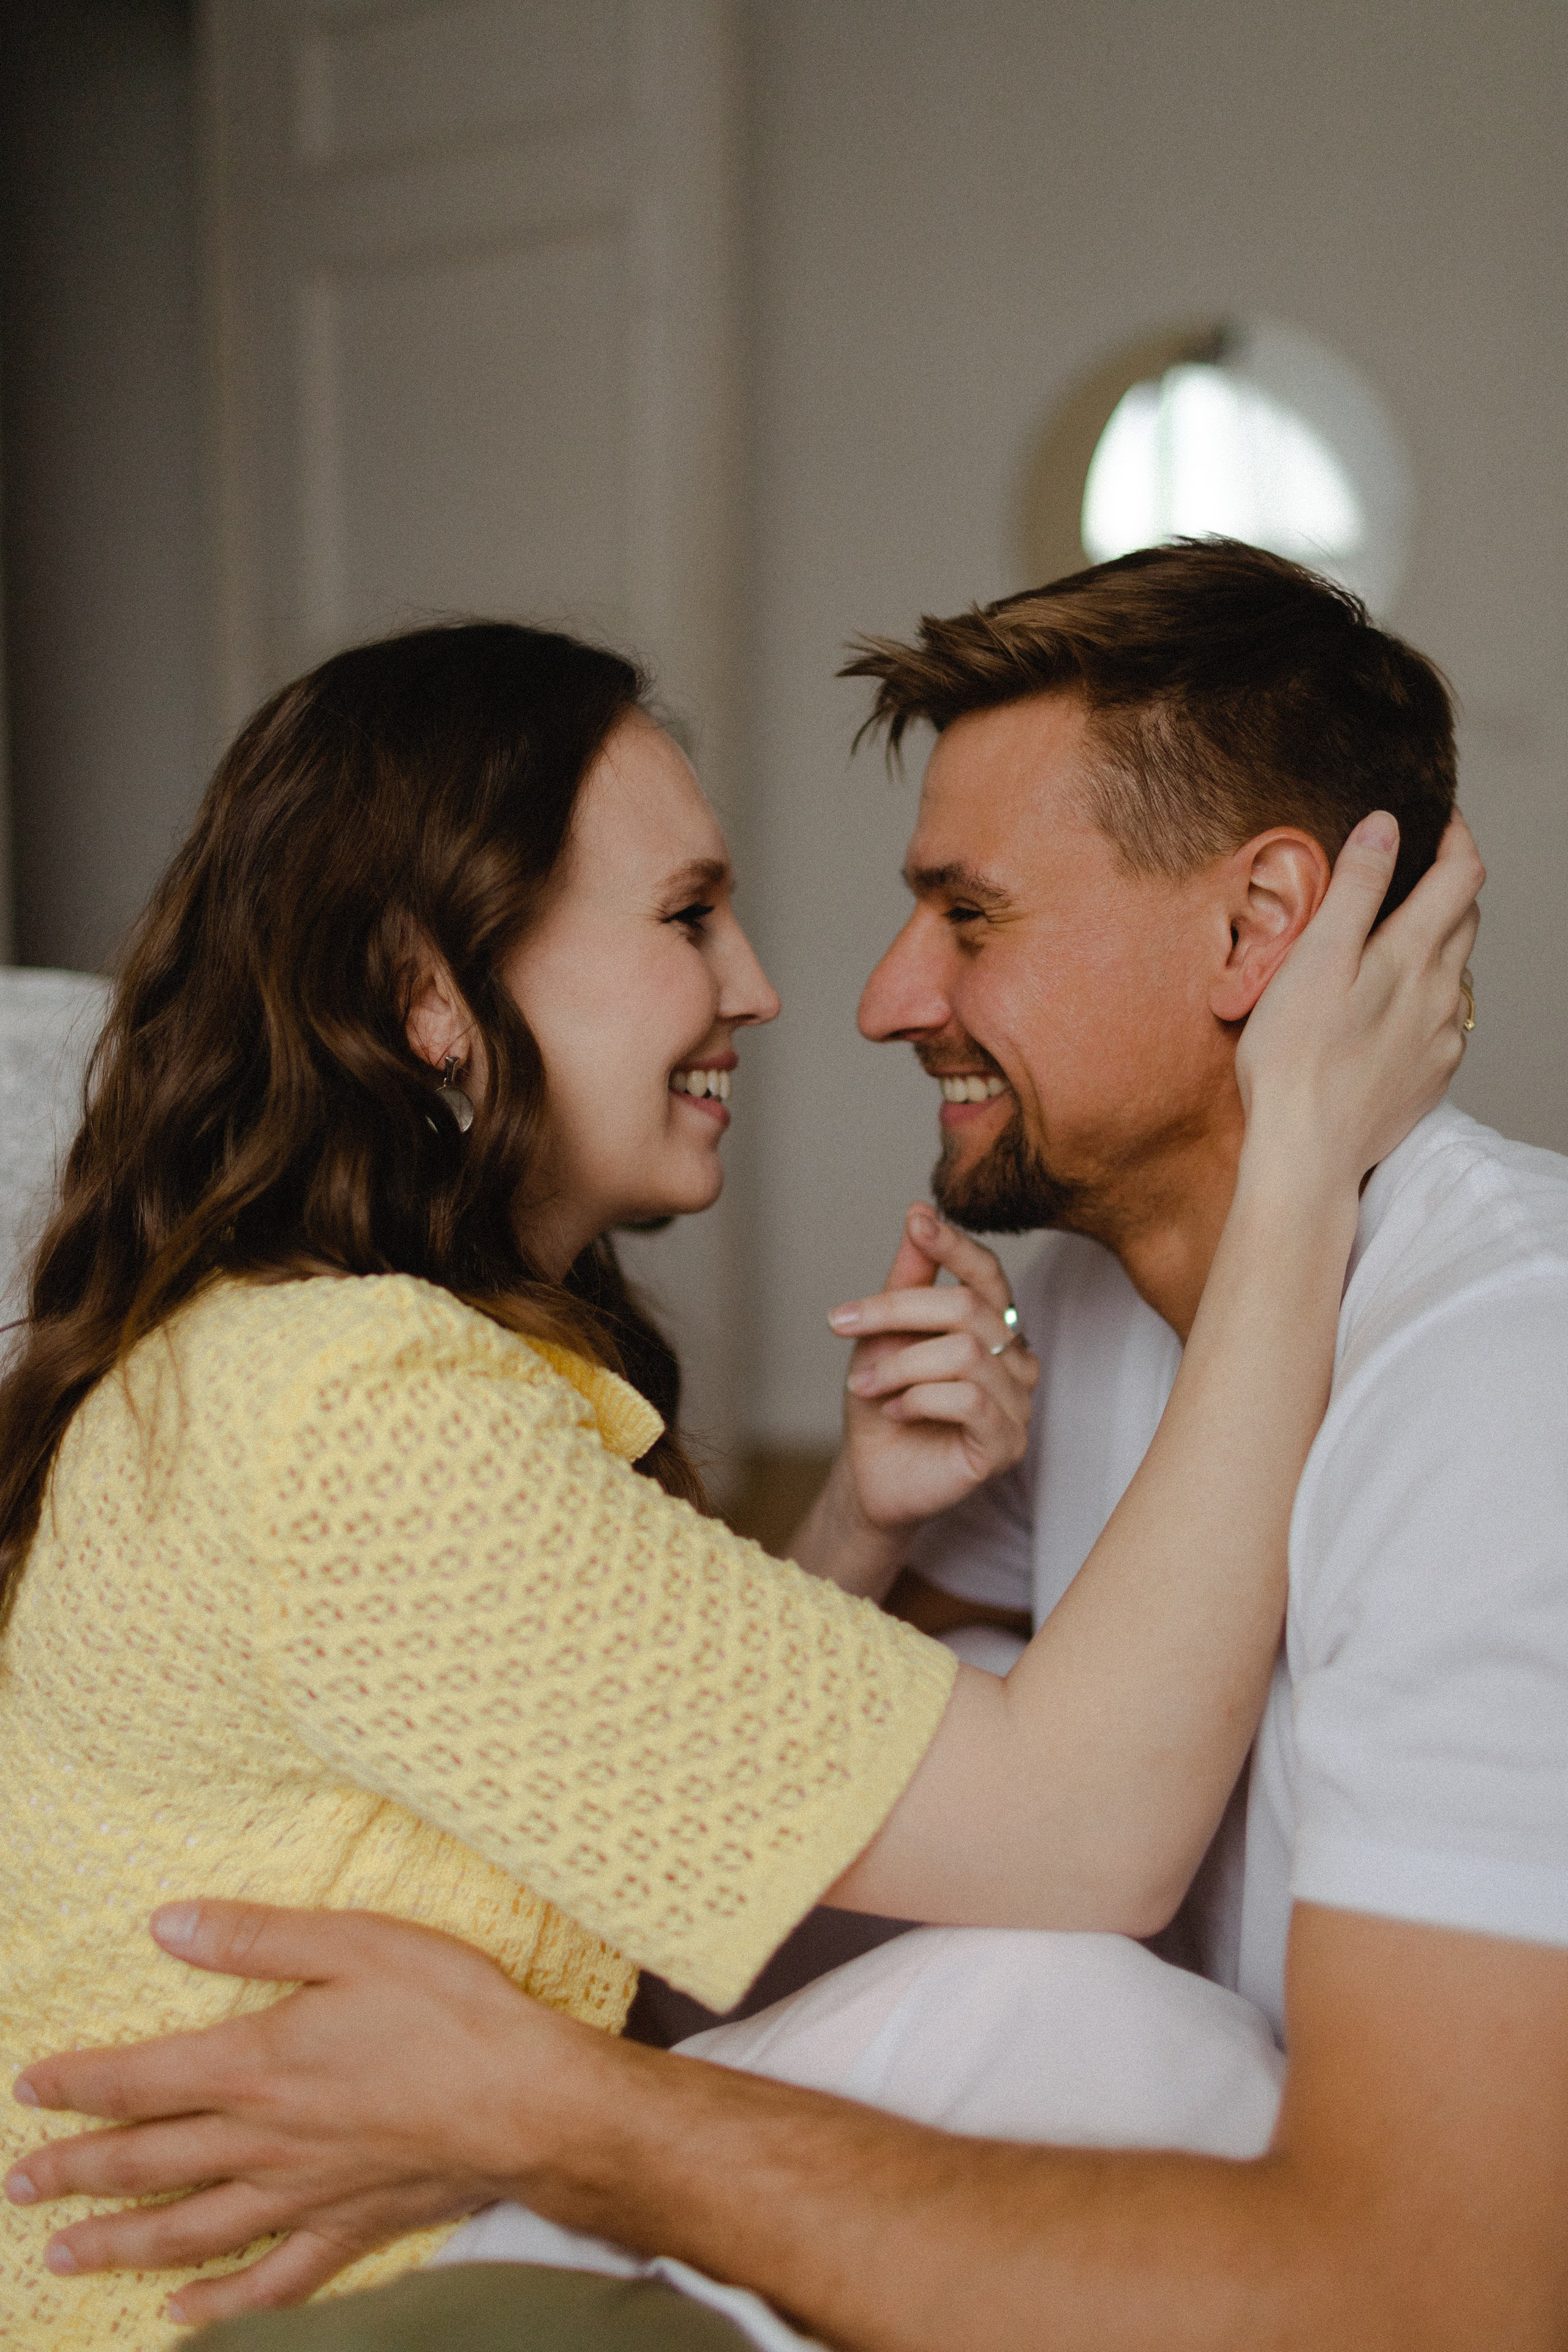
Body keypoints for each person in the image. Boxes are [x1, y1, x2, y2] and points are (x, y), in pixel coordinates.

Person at [0, 602, 1475, 2348]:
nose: (767, 987)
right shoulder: (344, 1410)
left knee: (1052, 2007)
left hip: (405, 2235)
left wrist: (855, 1525)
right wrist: (1300, 1164)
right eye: (690, 916)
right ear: (427, 992)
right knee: (1102, 2029)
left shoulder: (327, 1355)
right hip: (260, 2314)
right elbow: (1085, 1837)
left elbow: (596, 1801)